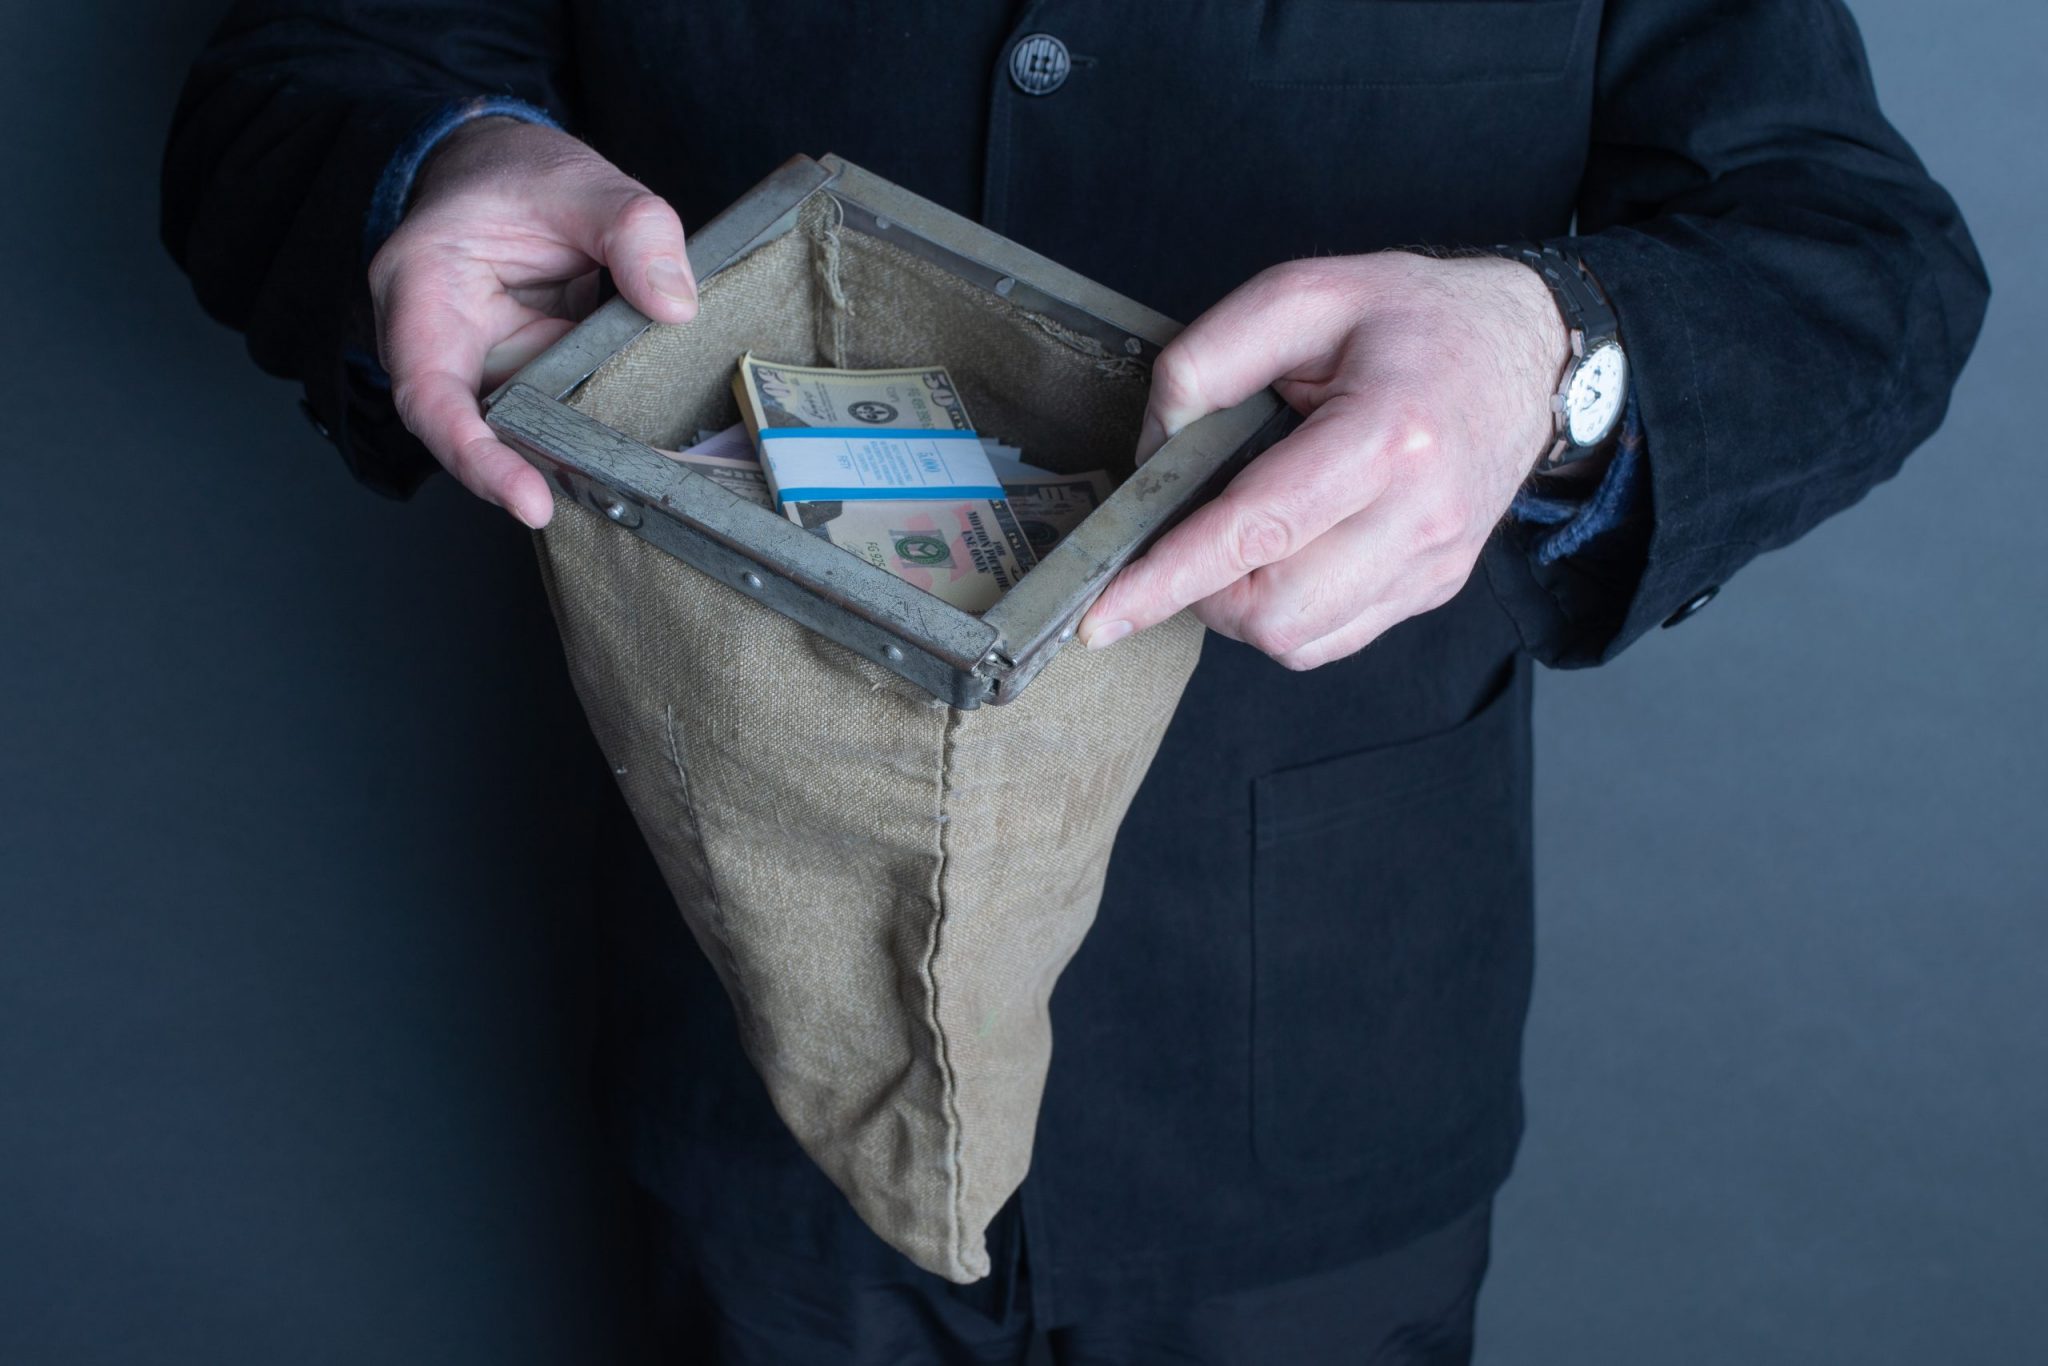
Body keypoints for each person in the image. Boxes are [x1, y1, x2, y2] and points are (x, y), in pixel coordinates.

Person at [163, 3, 1987, 1361]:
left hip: (1309, 1097)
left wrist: (1554, 348)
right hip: (746, 1043)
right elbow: (308, 61)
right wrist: (446, 155)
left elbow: (1859, 248)